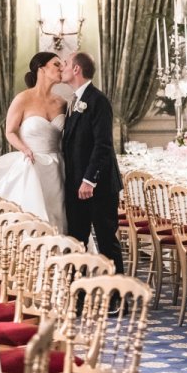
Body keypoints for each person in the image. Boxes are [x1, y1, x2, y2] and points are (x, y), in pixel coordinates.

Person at [60, 51, 125, 274]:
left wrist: (89, 180)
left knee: (107, 241)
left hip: (99, 186)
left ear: (76, 69)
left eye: (66, 63)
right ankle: (78, 295)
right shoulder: (74, 102)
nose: (63, 67)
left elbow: (103, 144)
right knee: (77, 241)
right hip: (76, 185)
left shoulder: (98, 100)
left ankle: (118, 298)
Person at [0, 52, 68, 233]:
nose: (61, 68)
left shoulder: (63, 103)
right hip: (32, 164)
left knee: (59, 214)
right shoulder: (23, 99)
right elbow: (9, 131)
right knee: (33, 215)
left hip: (58, 167)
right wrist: (24, 148)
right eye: (56, 64)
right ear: (41, 69)